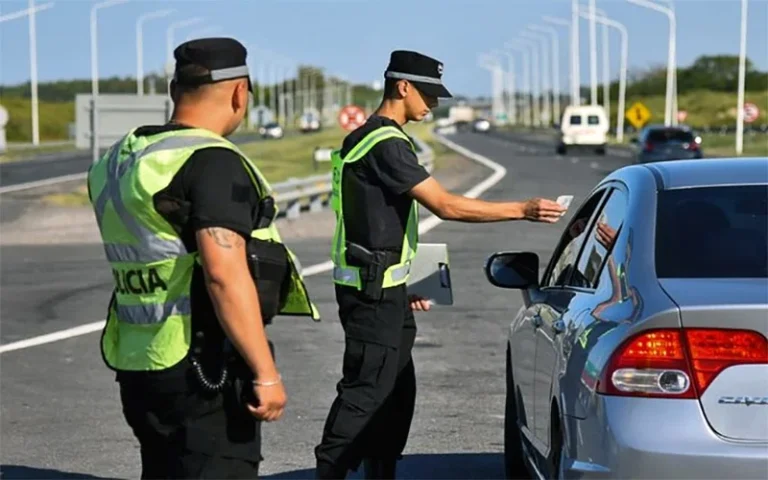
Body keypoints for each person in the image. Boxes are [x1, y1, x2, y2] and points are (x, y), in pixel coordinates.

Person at [314, 50, 567, 479]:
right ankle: (331, 471)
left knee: (395, 392)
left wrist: (402, 280)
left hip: (382, 286)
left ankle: (379, 470)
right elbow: (446, 206)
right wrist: (522, 209)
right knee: (367, 392)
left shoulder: (367, 138)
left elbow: (375, 221)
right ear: (403, 87)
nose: (432, 104)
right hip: (372, 293)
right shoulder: (386, 143)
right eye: (428, 94)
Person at [86, 37, 319, 479]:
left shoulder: (119, 161)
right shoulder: (209, 160)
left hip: (139, 358)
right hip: (202, 364)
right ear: (239, 92)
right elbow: (223, 274)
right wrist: (265, 373)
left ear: (175, 91)